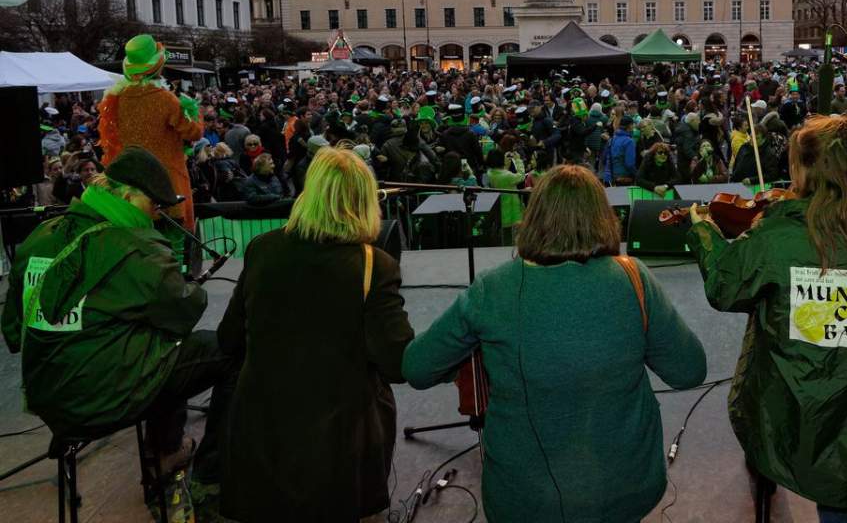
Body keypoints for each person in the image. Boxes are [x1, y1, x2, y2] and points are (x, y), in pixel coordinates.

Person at [403, 165, 706, 523]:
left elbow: (417, 368)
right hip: (624, 490)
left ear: (534, 218)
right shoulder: (633, 278)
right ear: (603, 217)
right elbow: (688, 371)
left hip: (524, 499)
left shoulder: (492, 289)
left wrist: (471, 359)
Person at [686, 116, 847, 523]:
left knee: (774, 448)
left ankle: (767, 476)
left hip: (780, 408)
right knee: (838, 491)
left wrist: (704, 232)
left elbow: (725, 287)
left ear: (804, 171)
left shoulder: (777, 238)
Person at [1, 147, 236, 497]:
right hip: (99, 399)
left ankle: (165, 446)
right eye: (153, 204)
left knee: (157, 340)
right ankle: (199, 469)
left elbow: (12, 328)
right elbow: (184, 310)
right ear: (127, 196)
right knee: (225, 350)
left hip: (46, 392)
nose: (157, 213)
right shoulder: (134, 247)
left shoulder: (43, 234)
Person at [217, 146, 413, 523]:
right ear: (363, 201)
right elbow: (396, 363)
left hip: (263, 429)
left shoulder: (262, 248)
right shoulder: (373, 265)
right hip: (338, 438)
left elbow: (229, 339)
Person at [97, 35, 204, 240]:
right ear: (158, 67)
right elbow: (194, 132)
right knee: (173, 244)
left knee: (141, 244)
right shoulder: (165, 99)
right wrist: (194, 110)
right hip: (167, 187)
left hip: (132, 187)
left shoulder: (117, 98)